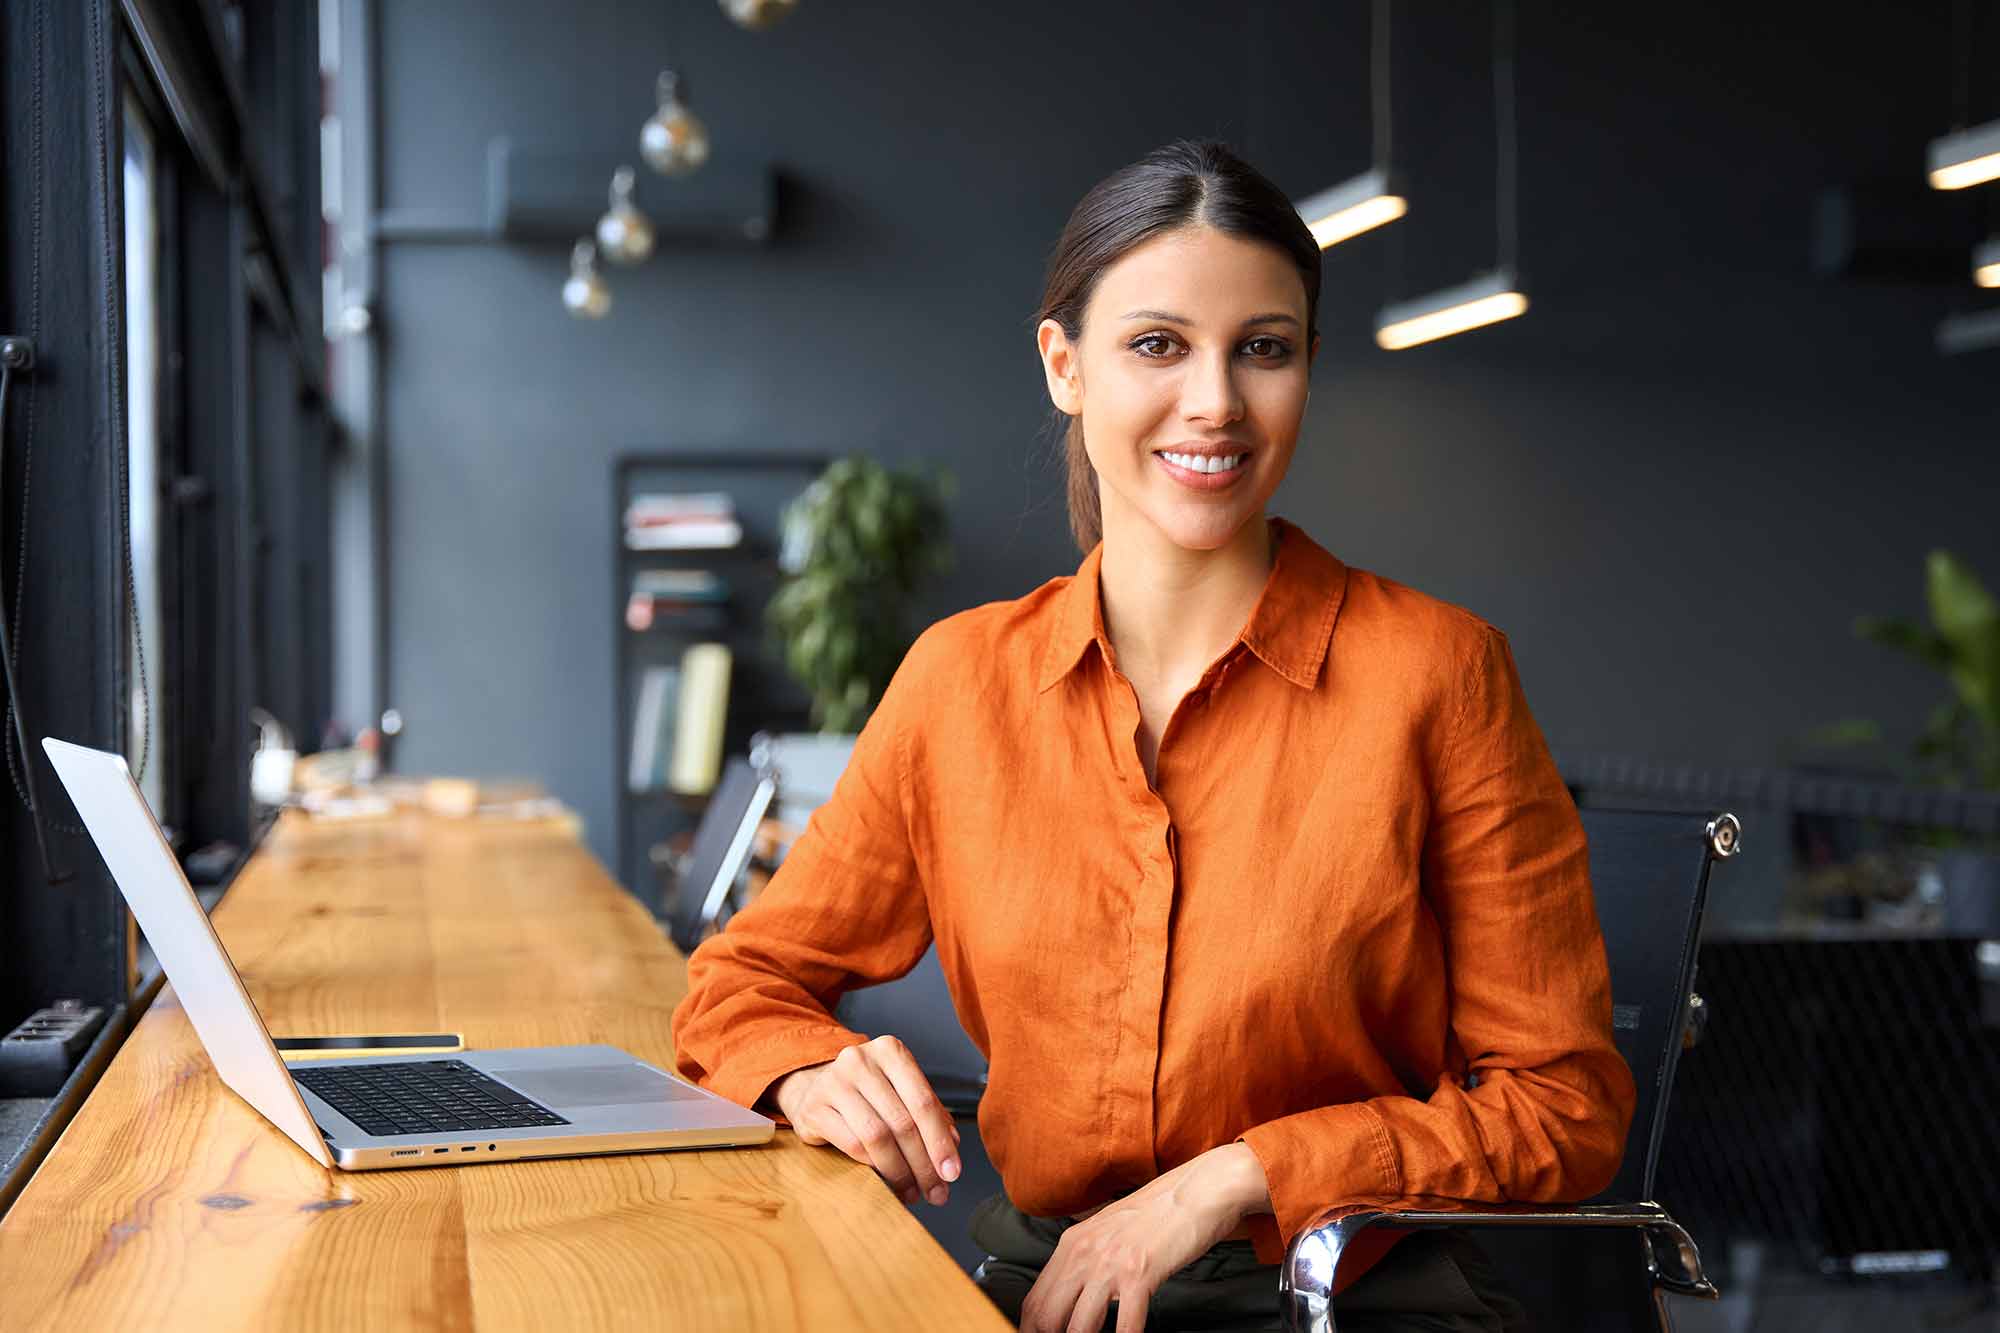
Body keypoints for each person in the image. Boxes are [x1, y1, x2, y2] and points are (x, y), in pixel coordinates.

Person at [672, 139, 1636, 1333]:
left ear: (1305, 371)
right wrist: (807, 1068)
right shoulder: (959, 682)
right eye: (1156, 345)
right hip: (1048, 1291)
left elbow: (1566, 1108)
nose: (1216, 400)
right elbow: (735, 983)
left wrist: (1241, 1175)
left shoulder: (1438, 675)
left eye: (1263, 350)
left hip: (1344, 1296)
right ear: (1062, 366)